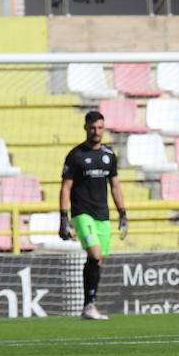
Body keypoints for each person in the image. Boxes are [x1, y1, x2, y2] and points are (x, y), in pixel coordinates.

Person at [59, 110, 128, 321]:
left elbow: (115, 186)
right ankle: (89, 306)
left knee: (96, 261)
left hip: (102, 215)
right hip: (82, 213)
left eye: (99, 128)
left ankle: (89, 305)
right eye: (92, 128)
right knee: (95, 254)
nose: (96, 132)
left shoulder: (109, 156)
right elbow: (65, 188)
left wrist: (122, 213)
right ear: (85, 128)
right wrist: (64, 217)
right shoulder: (75, 156)